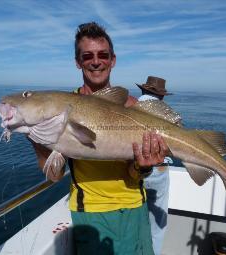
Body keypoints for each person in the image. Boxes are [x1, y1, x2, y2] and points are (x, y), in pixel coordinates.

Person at [66, 22, 168, 254]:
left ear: (112, 59)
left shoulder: (134, 107)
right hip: (91, 212)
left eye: (103, 55)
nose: (95, 61)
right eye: (87, 56)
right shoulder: (67, 107)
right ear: (78, 62)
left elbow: (133, 173)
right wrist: (36, 138)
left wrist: (143, 168)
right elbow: (51, 174)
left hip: (135, 206)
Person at [136, 76, 182, 255]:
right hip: (158, 169)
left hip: (134, 169)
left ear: (142, 91)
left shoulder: (131, 107)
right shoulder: (165, 112)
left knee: (136, 218)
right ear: (161, 96)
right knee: (157, 223)